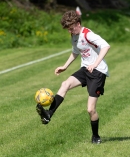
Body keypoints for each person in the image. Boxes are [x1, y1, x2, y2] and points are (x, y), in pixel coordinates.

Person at [36, 10, 110, 144]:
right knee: (65, 84)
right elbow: (76, 52)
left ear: (78, 24)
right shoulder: (74, 36)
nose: (69, 31)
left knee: (90, 109)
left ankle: (96, 136)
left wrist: (95, 63)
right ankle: (48, 114)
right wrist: (65, 66)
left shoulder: (88, 34)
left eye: (71, 28)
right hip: (85, 70)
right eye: (68, 29)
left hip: (98, 72)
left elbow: (106, 46)